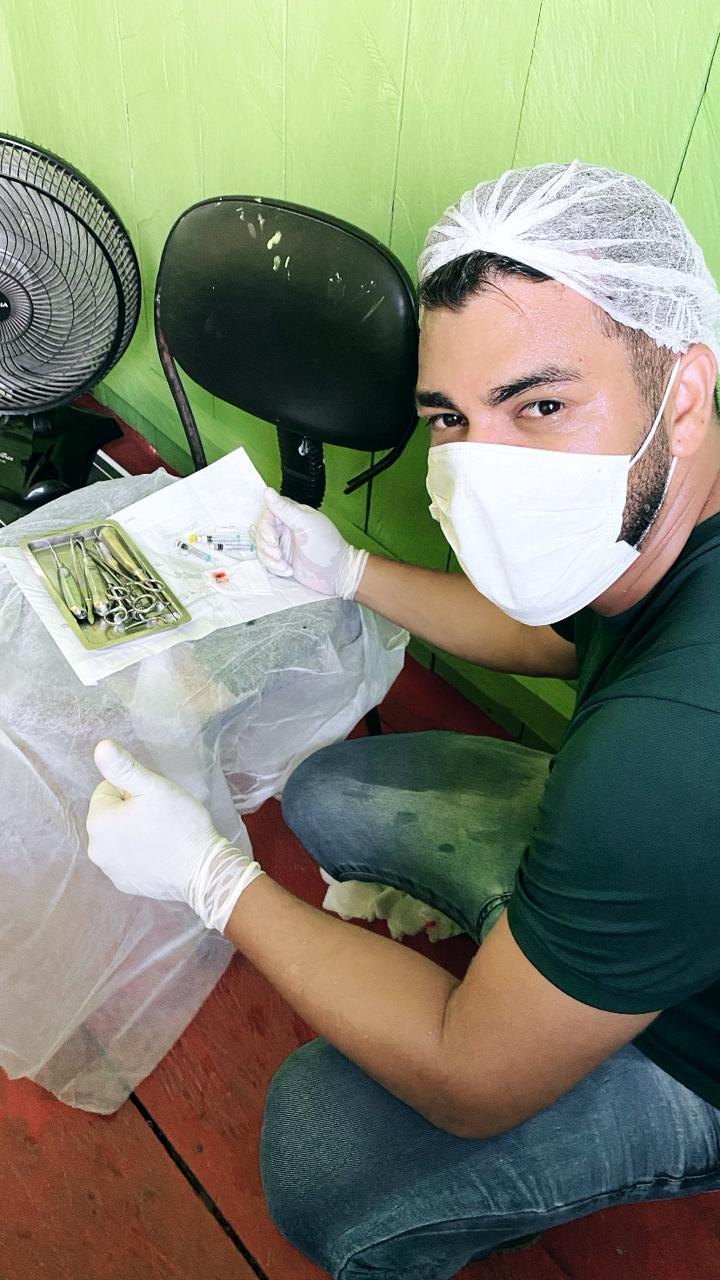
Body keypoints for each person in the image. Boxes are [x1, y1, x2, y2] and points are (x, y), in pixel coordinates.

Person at [86, 161, 720, 1279]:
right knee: (333, 793)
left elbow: (471, 1084)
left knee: (321, 1150)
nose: (484, 468)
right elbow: (560, 633)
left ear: (683, 386)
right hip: (659, 860)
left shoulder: (661, 761)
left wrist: (209, 879)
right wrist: (349, 569)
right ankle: (551, 951)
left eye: (540, 405)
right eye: (450, 419)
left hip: (694, 1039)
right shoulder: (664, 499)